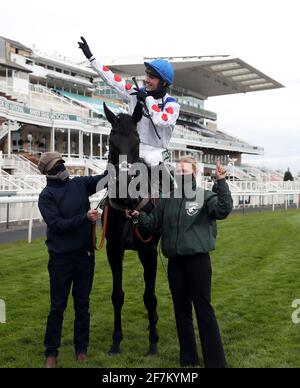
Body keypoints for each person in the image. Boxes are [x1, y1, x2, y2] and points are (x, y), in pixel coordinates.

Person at [127, 157, 233, 368]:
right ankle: (188, 360)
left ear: (194, 172)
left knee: (204, 310)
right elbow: (152, 224)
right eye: (179, 170)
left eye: (185, 170)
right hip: (175, 264)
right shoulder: (168, 198)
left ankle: (216, 362)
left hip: (198, 262)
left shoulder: (205, 196)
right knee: (181, 312)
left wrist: (221, 182)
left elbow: (223, 209)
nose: (181, 173)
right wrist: (138, 216)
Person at [38, 152, 107, 368]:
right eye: (57, 165)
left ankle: (81, 350)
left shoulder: (79, 184)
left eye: (62, 163)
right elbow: (57, 225)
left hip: (85, 257)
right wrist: (85, 218)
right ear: (48, 172)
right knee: (57, 307)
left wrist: (116, 162)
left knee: (82, 306)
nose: (62, 167)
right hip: (61, 259)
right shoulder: (46, 195)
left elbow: (104, 179)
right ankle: (51, 353)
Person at [78, 37, 180, 168]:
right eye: (147, 75)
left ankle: (172, 187)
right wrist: (91, 58)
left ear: (164, 83)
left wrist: (148, 99)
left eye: (152, 78)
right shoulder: (135, 93)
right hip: (135, 145)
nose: (147, 80)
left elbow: (161, 120)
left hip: (159, 151)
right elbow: (112, 79)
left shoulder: (172, 105)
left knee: (149, 160)